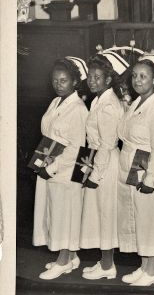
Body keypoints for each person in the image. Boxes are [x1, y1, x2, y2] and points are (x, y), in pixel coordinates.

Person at [117, 53, 154, 286]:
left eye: (143, 76)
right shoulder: (136, 103)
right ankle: (144, 267)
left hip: (151, 169)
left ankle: (153, 270)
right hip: (134, 166)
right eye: (134, 76)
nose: (137, 80)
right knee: (140, 219)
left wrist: (151, 180)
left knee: (151, 220)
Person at [33, 57, 89, 280]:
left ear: (75, 82)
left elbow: (77, 148)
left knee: (65, 215)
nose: (58, 84)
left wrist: (53, 167)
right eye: (55, 80)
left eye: (63, 80)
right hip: (50, 166)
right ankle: (71, 256)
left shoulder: (78, 108)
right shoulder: (56, 102)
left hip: (65, 170)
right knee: (54, 213)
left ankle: (64, 261)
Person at [79, 51, 128, 280]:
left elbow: (107, 145)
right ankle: (104, 262)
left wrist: (96, 175)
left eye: (98, 77)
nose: (92, 80)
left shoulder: (109, 105)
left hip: (106, 164)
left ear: (109, 80)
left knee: (106, 214)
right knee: (100, 214)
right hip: (99, 160)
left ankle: (108, 266)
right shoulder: (99, 99)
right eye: (90, 76)